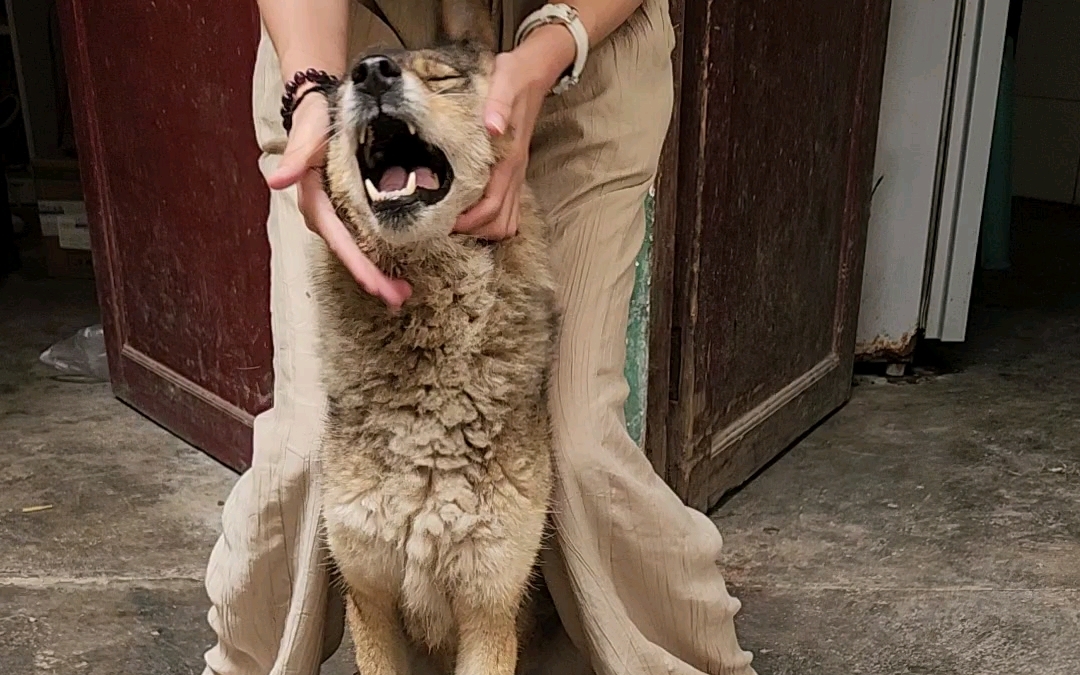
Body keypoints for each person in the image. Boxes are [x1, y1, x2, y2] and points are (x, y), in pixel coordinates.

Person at [201, 1, 758, 674]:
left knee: (582, 450)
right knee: (300, 448)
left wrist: (557, 42)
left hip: (586, 39)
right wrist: (310, 88)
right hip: (340, 38)